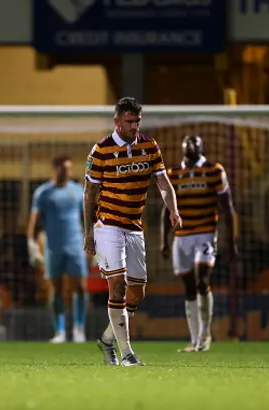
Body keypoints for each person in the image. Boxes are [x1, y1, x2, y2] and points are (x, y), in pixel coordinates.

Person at [83, 97, 181, 367]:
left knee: (136, 294)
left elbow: (162, 181)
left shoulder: (149, 146)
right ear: (117, 121)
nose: (135, 126)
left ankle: (105, 340)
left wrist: (173, 209)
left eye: (138, 121)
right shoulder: (101, 150)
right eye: (129, 121)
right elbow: (89, 194)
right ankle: (127, 354)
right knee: (118, 285)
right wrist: (88, 234)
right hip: (107, 225)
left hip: (134, 227)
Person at [160, 135, 237, 353]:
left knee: (203, 281)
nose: (191, 144)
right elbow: (166, 209)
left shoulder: (215, 171)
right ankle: (195, 340)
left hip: (205, 234)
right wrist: (163, 240)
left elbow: (227, 207)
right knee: (189, 287)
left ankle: (205, 334)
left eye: (195, 141)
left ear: (203, 146)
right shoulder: (174, 174)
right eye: (187, 141)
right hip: (182, 237)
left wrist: (231, 241)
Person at [27, 156, 89, 343]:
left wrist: (94, 242)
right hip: (53, 247)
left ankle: (79, 329)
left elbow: (87, 219)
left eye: (69, 169)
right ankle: (59, 331)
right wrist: (31, 245)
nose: (66, 172)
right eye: (63, 169)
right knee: (56, 289)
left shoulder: (78, 191)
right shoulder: (43, 193)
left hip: (75, 244)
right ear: (55, 169)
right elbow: (34, 222)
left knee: (80, 287)